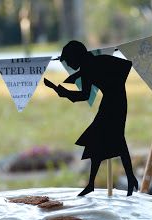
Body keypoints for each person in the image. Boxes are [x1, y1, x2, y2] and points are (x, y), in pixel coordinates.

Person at [44, 40, 138, 196]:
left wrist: (63, 91)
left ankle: (129, 178)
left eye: (68, 61)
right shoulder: (90, 65)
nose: (68, 64)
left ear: (75, 57)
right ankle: (95, 184)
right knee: (97, 140)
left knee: (115, 139)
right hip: (111, 101)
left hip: (116, 103)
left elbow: (125, 67)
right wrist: (67, 85)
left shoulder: (93, 64)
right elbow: (86, 94)